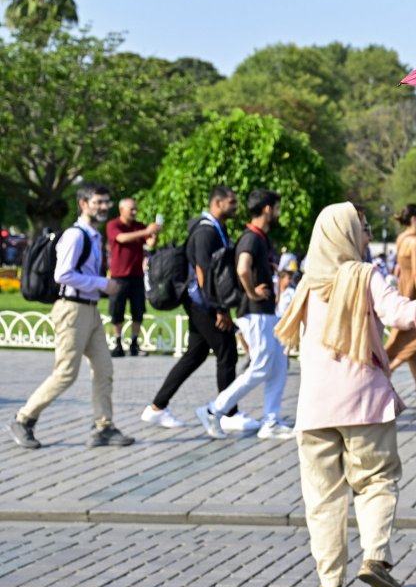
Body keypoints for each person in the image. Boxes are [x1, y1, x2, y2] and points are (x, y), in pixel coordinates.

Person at [275, 202, 416, 587]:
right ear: (344, 234)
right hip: (363, 402)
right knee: (376, 481)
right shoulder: (363, 276)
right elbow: (405, 315)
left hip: (313, 407)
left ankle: (330, 580)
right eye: (360, 228)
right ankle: (374, 556)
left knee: (322, 498)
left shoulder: (307, 284)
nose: (366, 235)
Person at [11, 183, 131, 449]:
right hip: (71, 310)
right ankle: (23, 419)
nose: (103, 207)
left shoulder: (94, 236)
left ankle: (104, 427)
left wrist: (98, 287)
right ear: (83, 204)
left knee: (104, 369)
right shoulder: (76, 236)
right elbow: (62, 275)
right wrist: (102, 284)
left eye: (106, 202)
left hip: (89, 310)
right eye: (97, 202)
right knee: (66, 373)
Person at [142, 186, 241, 431]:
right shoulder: (205, 232)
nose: (235, 207)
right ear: (217, 203)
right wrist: (220, 308)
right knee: (226, 350)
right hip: (202, 301)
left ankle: (156, 407)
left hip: (202, 300)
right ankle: (227, 413)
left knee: (194, 355)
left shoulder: (216, 228)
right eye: (231, 202)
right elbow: (204, 273)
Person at [199, 189, 294, 439]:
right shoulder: (251, 237)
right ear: (267, 209)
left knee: (279, 365)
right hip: (254, 313)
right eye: (277, 208)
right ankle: (213, 409)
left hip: (265, 312)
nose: (278, 213)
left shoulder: (260, 237)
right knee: (261, 366)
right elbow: (243, 268)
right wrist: (251, 293)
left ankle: (271, 421)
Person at [384, 203, 416, 399]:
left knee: (409, 336)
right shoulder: (414, 242)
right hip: (413, 291)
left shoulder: (401, 239)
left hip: (403, 288)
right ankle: (389, 368)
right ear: (414, 219)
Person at [105, 197, 161, 357]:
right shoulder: (113, 225)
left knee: (138, 311)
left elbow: (150, 244)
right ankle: (118, 343)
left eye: (136, 209)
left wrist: (154, 233)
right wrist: (146, 231)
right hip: (119, 276)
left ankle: (135, 343)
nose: (135, 212)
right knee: (117, 311)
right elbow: (121, 238)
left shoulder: (139, 226)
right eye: (132, 209)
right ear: (122, 210)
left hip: (137, 275)